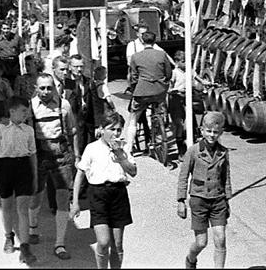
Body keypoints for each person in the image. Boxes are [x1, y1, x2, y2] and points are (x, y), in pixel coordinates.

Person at [70, 111, 137, 269]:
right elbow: (80, 175)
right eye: (112, 129)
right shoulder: (92, 148)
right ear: (101, 130)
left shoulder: (124, 148)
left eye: (119, 130)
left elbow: (133, 171)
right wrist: (75, 202)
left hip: (118, 193)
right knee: (103, 241)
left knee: (117, 244)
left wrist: (120, 155)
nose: (115, 133)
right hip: (98, 194)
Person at [28, 73, 80, 260]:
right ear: (36, 88)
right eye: (41, 88)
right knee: (36, 195)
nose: (45, 91)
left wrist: (76, 155)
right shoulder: (30, 106)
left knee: (62, 197)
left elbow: (73, 131)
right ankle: (33, 227)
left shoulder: (64, 105)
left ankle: (60, 243)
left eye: (49, 87)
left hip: (61, 155)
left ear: (54, 88)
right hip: (39, 154)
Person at [177, 111, 232, 269]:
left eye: (216, 132)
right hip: (199, 200)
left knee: (220, 239)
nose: (212, 135)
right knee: (201, 242)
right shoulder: (193, 151)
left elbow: (226, 177)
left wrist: (227, 200)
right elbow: (183, 176)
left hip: (218, 200)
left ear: (220, 133)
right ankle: (190, 259)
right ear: (202, 131)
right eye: (208, 131)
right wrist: (180, 200)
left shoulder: (223, 152)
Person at [0, 96, 39, 265]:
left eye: (27, 110)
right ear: (12, 111)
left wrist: (34, 176)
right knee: (7, 205)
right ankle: (9, 236)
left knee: (22, 208)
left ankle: (25, 247)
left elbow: (33, 155)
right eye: (23, 111)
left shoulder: (29, 130)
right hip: (5, 168)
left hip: (23, 168)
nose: (27, 114)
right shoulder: (0, 129)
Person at [123, 31, 173, 153]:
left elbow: (133, 77)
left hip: (142, 92)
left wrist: (134, 88)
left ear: (142, 41)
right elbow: (169, 73)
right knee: (159, 108)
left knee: (133, 117)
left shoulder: (136, 56)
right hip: (159, 91)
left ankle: (128, 147)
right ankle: (159, 125)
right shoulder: (162, 55)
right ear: (154, 41)